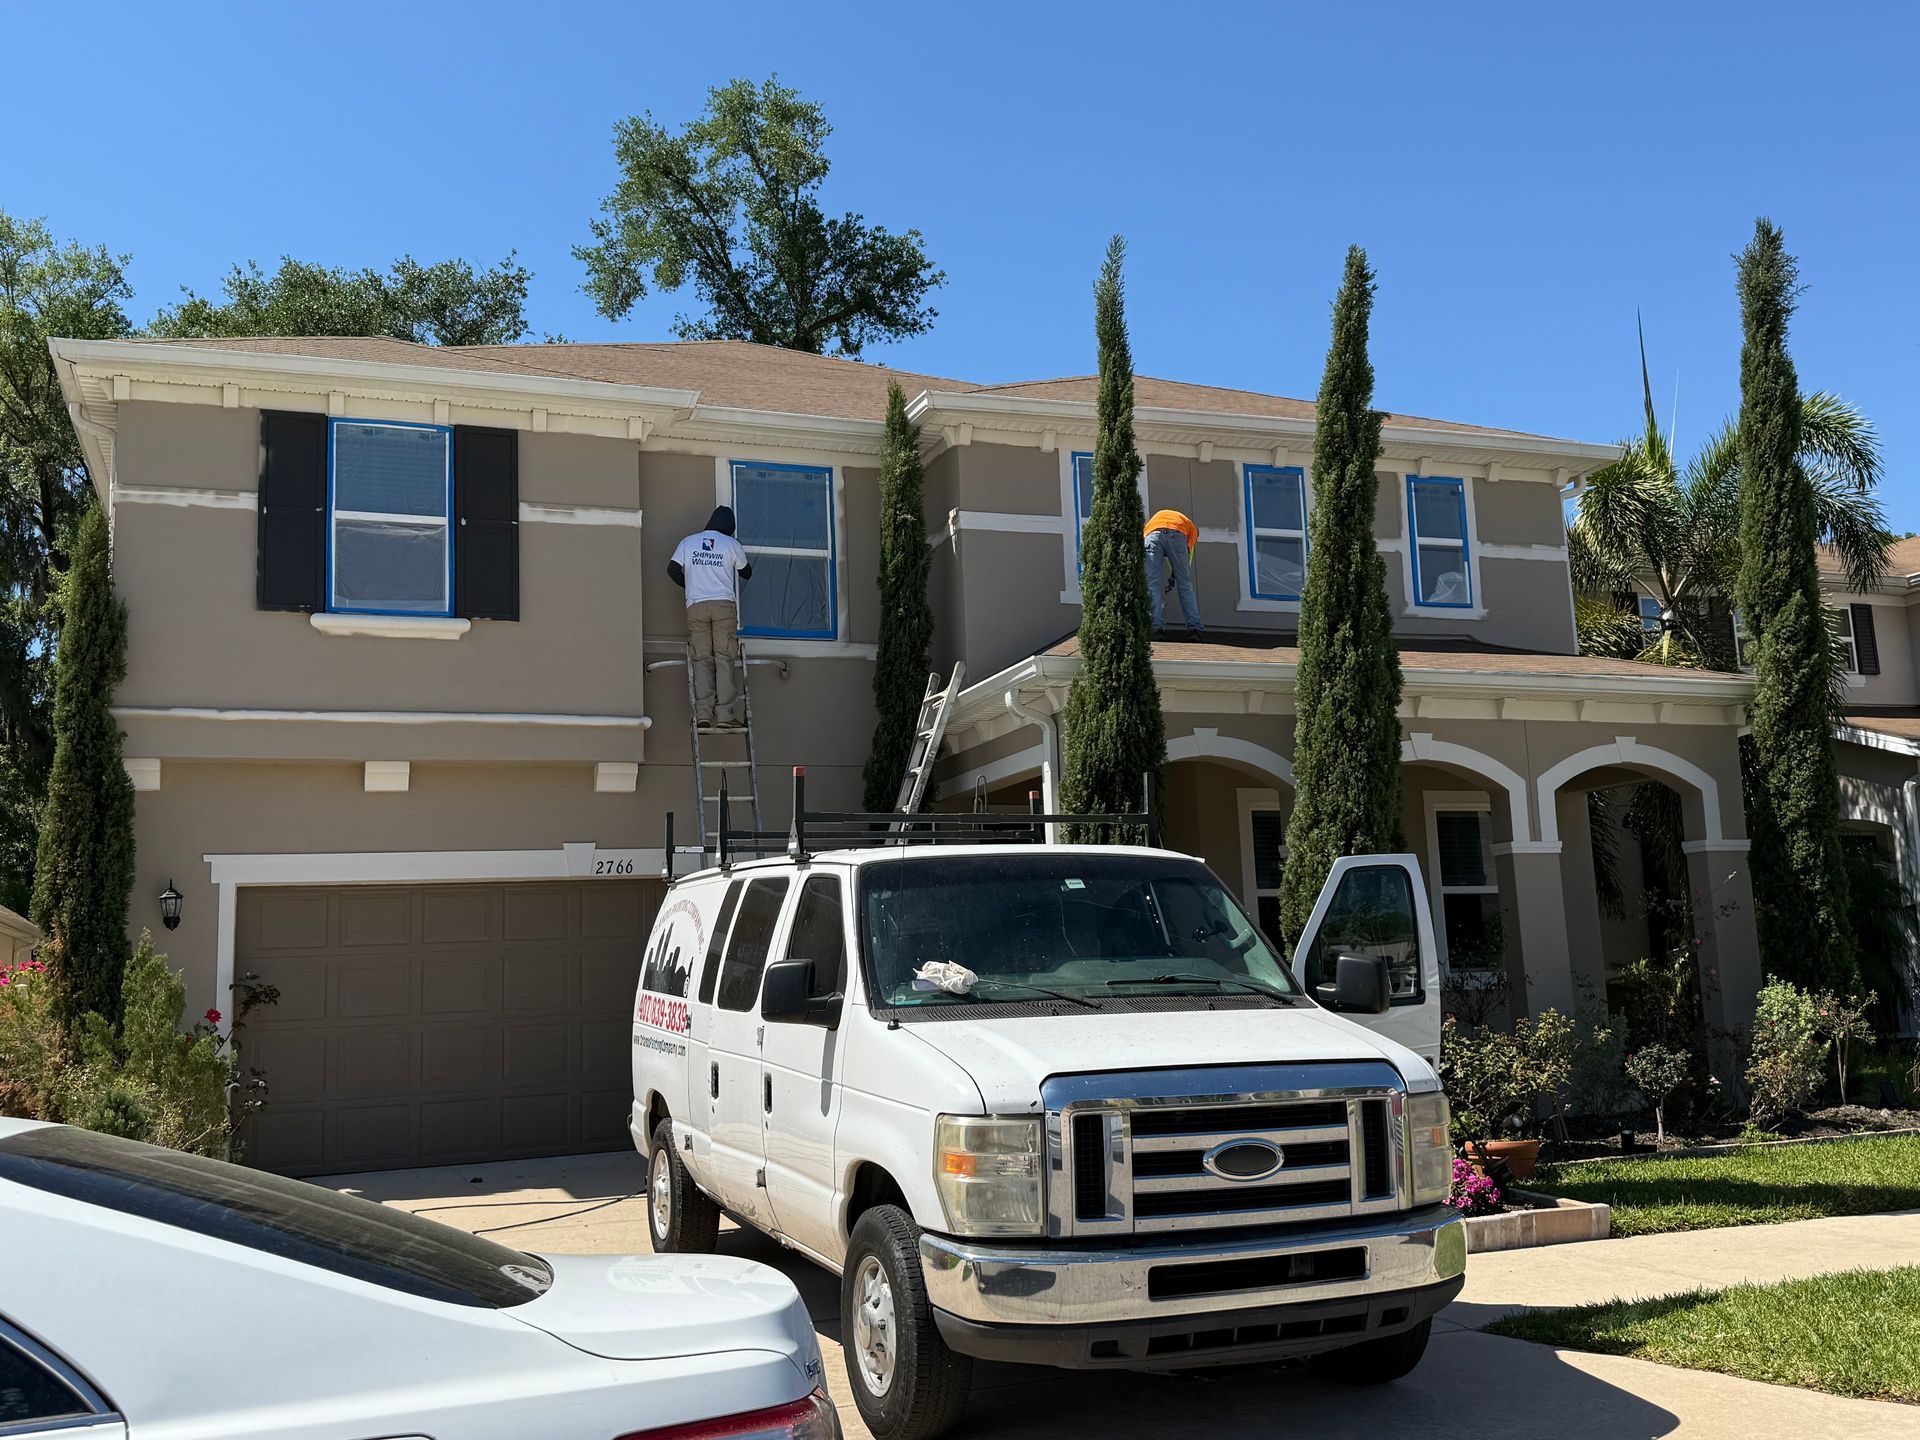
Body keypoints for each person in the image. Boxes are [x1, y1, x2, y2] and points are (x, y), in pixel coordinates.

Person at [668, 506, 752, 727]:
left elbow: (672, 569)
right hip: (723, 606)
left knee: (702, 659)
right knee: (724, 659)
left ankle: (703, 715)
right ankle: (725, 716)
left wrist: (691, 586)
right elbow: (746, 572)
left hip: (696, 606)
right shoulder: (731, 544)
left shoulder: (688, 542)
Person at [1143, 507, 1203, 637]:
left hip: (1152, 534)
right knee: (1185, 585)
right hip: (1177, 532)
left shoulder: (1155, 520)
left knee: (1152, 585)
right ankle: (1195, 628)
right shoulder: (1192, 531)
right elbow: (1187, 560)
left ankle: (1154, 628)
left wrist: (1172, 578)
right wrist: (1175, 577)